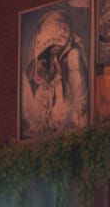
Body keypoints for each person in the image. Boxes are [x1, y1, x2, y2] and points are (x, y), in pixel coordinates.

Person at [21, 8, 89, 136]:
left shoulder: (74, 59)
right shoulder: (29, 75)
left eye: (57, 52)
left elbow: (79, 106)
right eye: (49, 52)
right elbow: (30, 121)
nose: (53, 58)